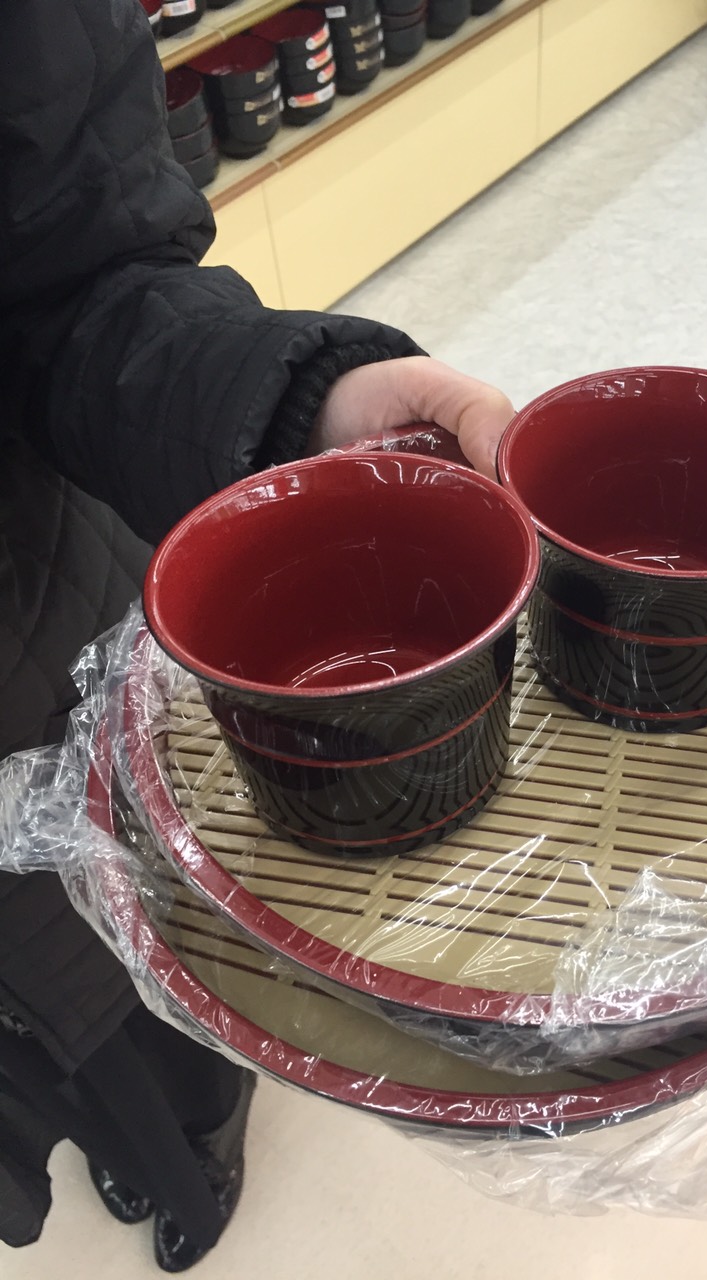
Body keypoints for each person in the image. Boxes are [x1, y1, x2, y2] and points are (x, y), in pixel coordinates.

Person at [0, 0, 515, 1268]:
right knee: (46, 1059)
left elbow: (75, 278)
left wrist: (295, 404)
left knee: (127, 982)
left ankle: (196, 1140)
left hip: (27, 651)